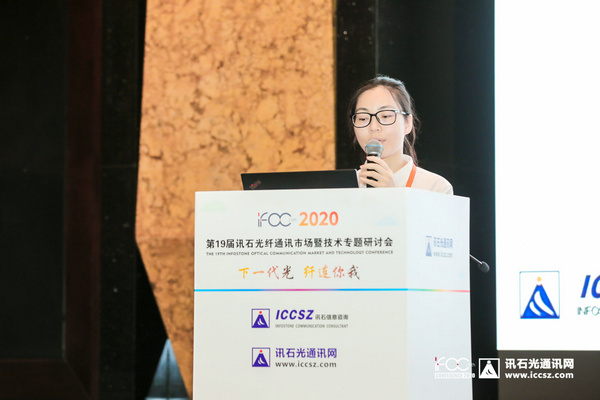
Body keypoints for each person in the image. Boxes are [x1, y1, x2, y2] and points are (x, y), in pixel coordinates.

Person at [348, 76, 453, 194]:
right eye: (363, 118)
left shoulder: (436, 188)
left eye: (386, 116)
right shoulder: (343, 188)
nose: (373, 127)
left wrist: (393, 194)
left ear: (407, 123)